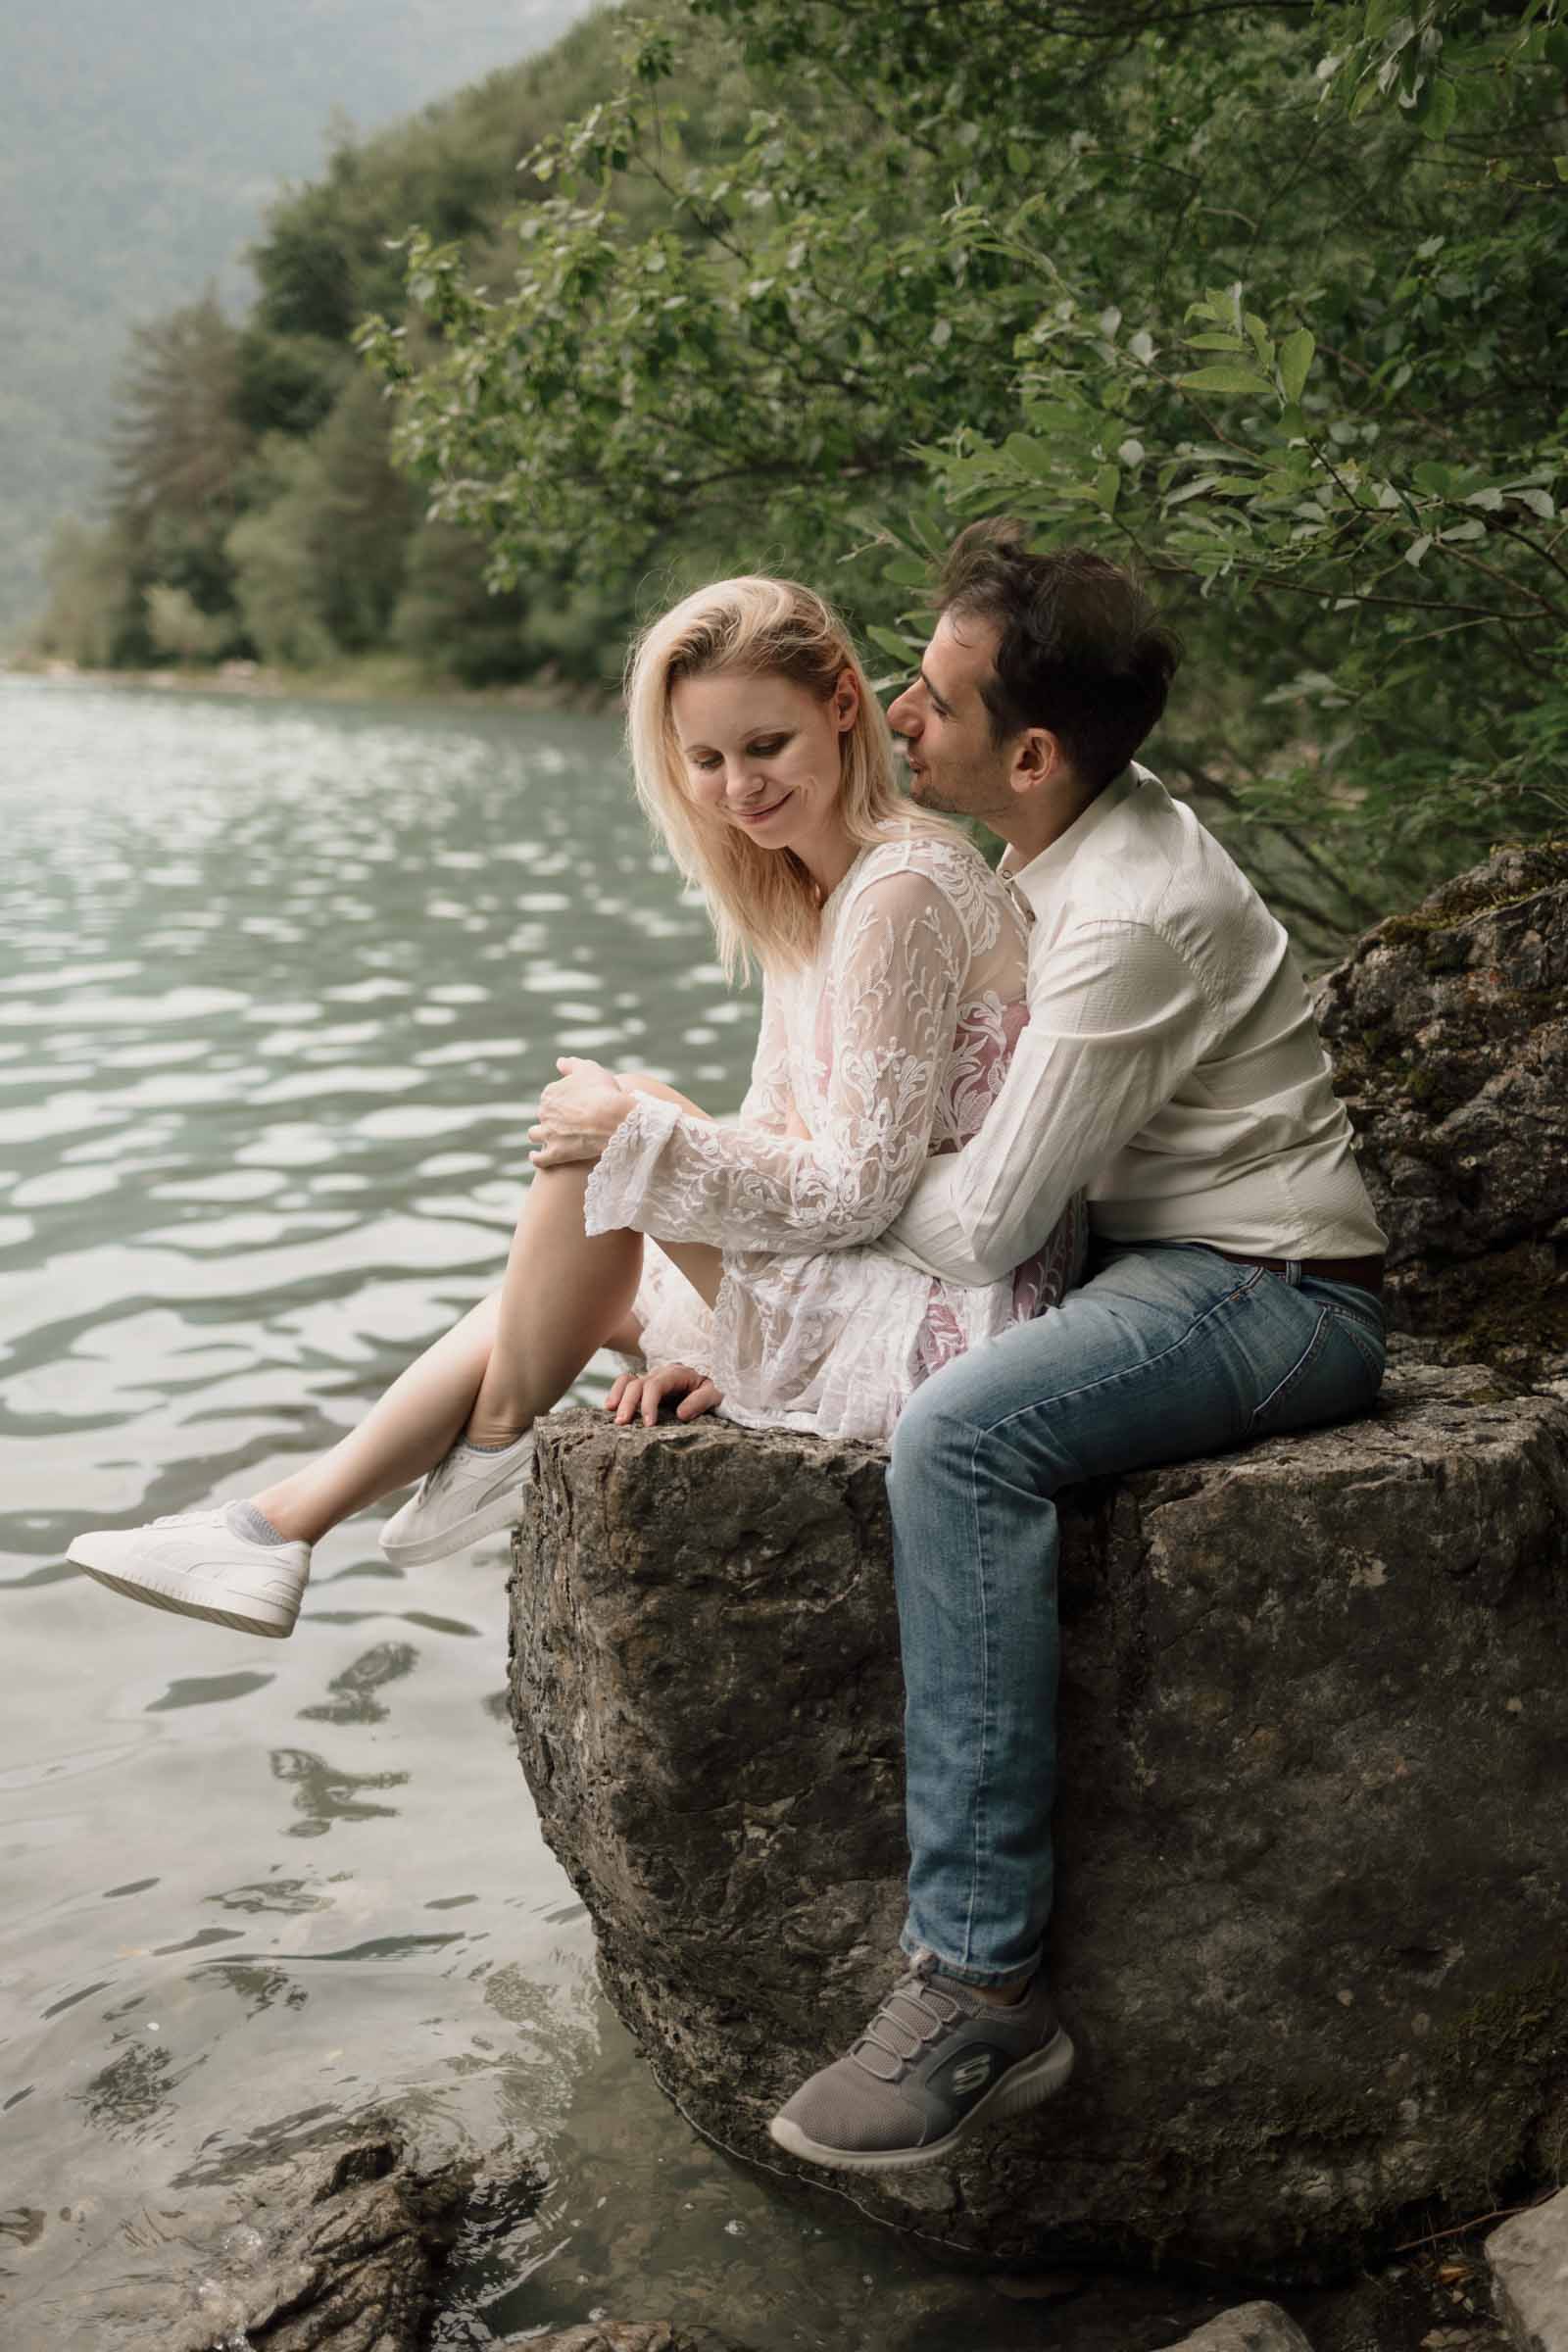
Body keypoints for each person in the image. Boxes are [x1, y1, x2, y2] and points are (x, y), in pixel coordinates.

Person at [66, 576, 1085, 1672]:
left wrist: (637, 1135)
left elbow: (854, 1191)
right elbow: (778, 1125)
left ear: (843, 704)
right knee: (583, 1230)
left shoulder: (900, 889)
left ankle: (466, 1452)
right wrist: (675, 1220)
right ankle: (279, 1525)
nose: (739, 787)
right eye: (706, 760)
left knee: (612, 1135)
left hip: (938, 1313)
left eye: (766, 746)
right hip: (882, 1268)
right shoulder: (815, 891)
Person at [711, 522, 1384, 2177]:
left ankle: (979, 1986)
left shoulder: (1127, 912)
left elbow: (985, 1220)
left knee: (961, 1434)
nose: (893, 711)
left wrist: (817, 1184)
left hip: (1270, 1287)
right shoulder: (1033, 852)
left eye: (932, 698)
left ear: (1028, 754)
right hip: (1139, 1260)